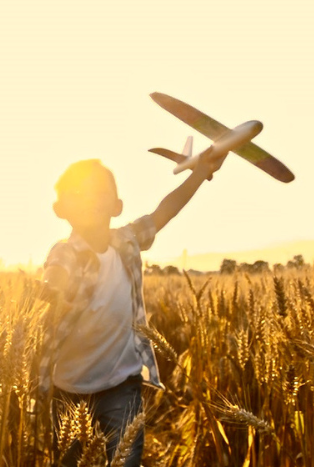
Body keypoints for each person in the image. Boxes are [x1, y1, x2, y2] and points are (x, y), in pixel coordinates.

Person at [39, 156, 220, 467]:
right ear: (61, 210)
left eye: (99, 192)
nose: (89, 199)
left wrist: (200, 172)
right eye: (78, 194)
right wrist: (52, 286)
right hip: (68, 388)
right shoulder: (65, 251)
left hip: (122, 384)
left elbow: (166, 210)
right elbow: (56, 271)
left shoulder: (128, 240)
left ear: (117, 206)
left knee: (126, 461)